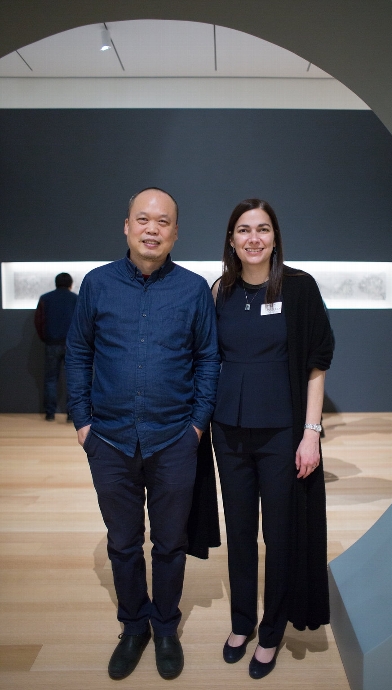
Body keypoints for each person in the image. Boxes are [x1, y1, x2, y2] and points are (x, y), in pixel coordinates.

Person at [65, 187, 220, 681]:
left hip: (174, 438)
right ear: (127, 226)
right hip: (108, 439)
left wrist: (196, 426)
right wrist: (83, 423)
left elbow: (207, 359)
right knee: (123, 542)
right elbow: (78, 353)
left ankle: (166, 625)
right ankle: (133, 625)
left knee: (170, 542)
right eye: (143, 219)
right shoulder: (97, 284)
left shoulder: (194, 289)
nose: (152, 229)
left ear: (175, 232)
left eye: (163, 222)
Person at [211, 198, 334, 679]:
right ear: (231, 239)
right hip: (229, 430)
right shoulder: (221, 289)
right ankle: (241, 622)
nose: (254, 238)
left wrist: (311, 433)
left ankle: (271, 630)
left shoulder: (299, 288)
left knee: (280, 535)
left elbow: (316, 363)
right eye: (244, 230)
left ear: (275, 237)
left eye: (263, 229)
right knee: (239, 533)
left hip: (283, 433)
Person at [34, 272, 77, 421]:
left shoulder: (45, 298)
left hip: (52, 343)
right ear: (70, 284)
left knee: (51, 379)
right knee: (73, 380)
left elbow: (39, 322)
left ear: (56, 283)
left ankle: (50, 414)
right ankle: (71, 415)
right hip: (72, 346)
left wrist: (45, 338)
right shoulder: (76, 299)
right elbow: (83, 322)